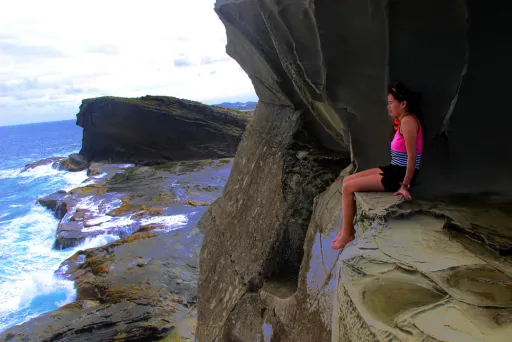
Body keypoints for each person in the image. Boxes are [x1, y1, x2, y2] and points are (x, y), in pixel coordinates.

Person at [331, 83, 424, 250]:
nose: (388, 107)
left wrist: (404, 185)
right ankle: (346, 229)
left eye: (390, 103)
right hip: (394, 168)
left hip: (399, 175)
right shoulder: (404, 121)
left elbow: (412, 157)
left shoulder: (408, 122)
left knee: (348, 187)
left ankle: (347, 233)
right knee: (347, 181)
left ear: (403, 104)